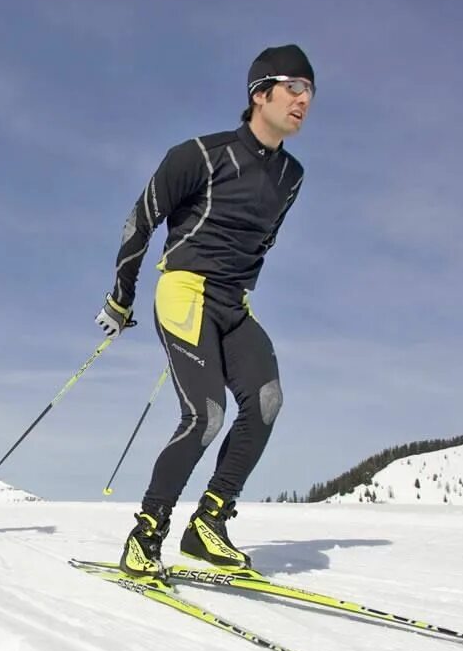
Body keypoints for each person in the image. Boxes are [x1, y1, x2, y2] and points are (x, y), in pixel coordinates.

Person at [95, 45, 315, 577]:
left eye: (311, 91)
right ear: (259, 92)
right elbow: (139, 223)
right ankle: (146, 534)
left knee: (265, 401)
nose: (304, 100)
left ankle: (208, 523)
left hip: (233, 304)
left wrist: (237, 293)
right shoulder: (198, 153)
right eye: (294, 87)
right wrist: (121, 296)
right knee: (206, 415)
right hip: (185, 292)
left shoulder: (291, 176)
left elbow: (264, 242)